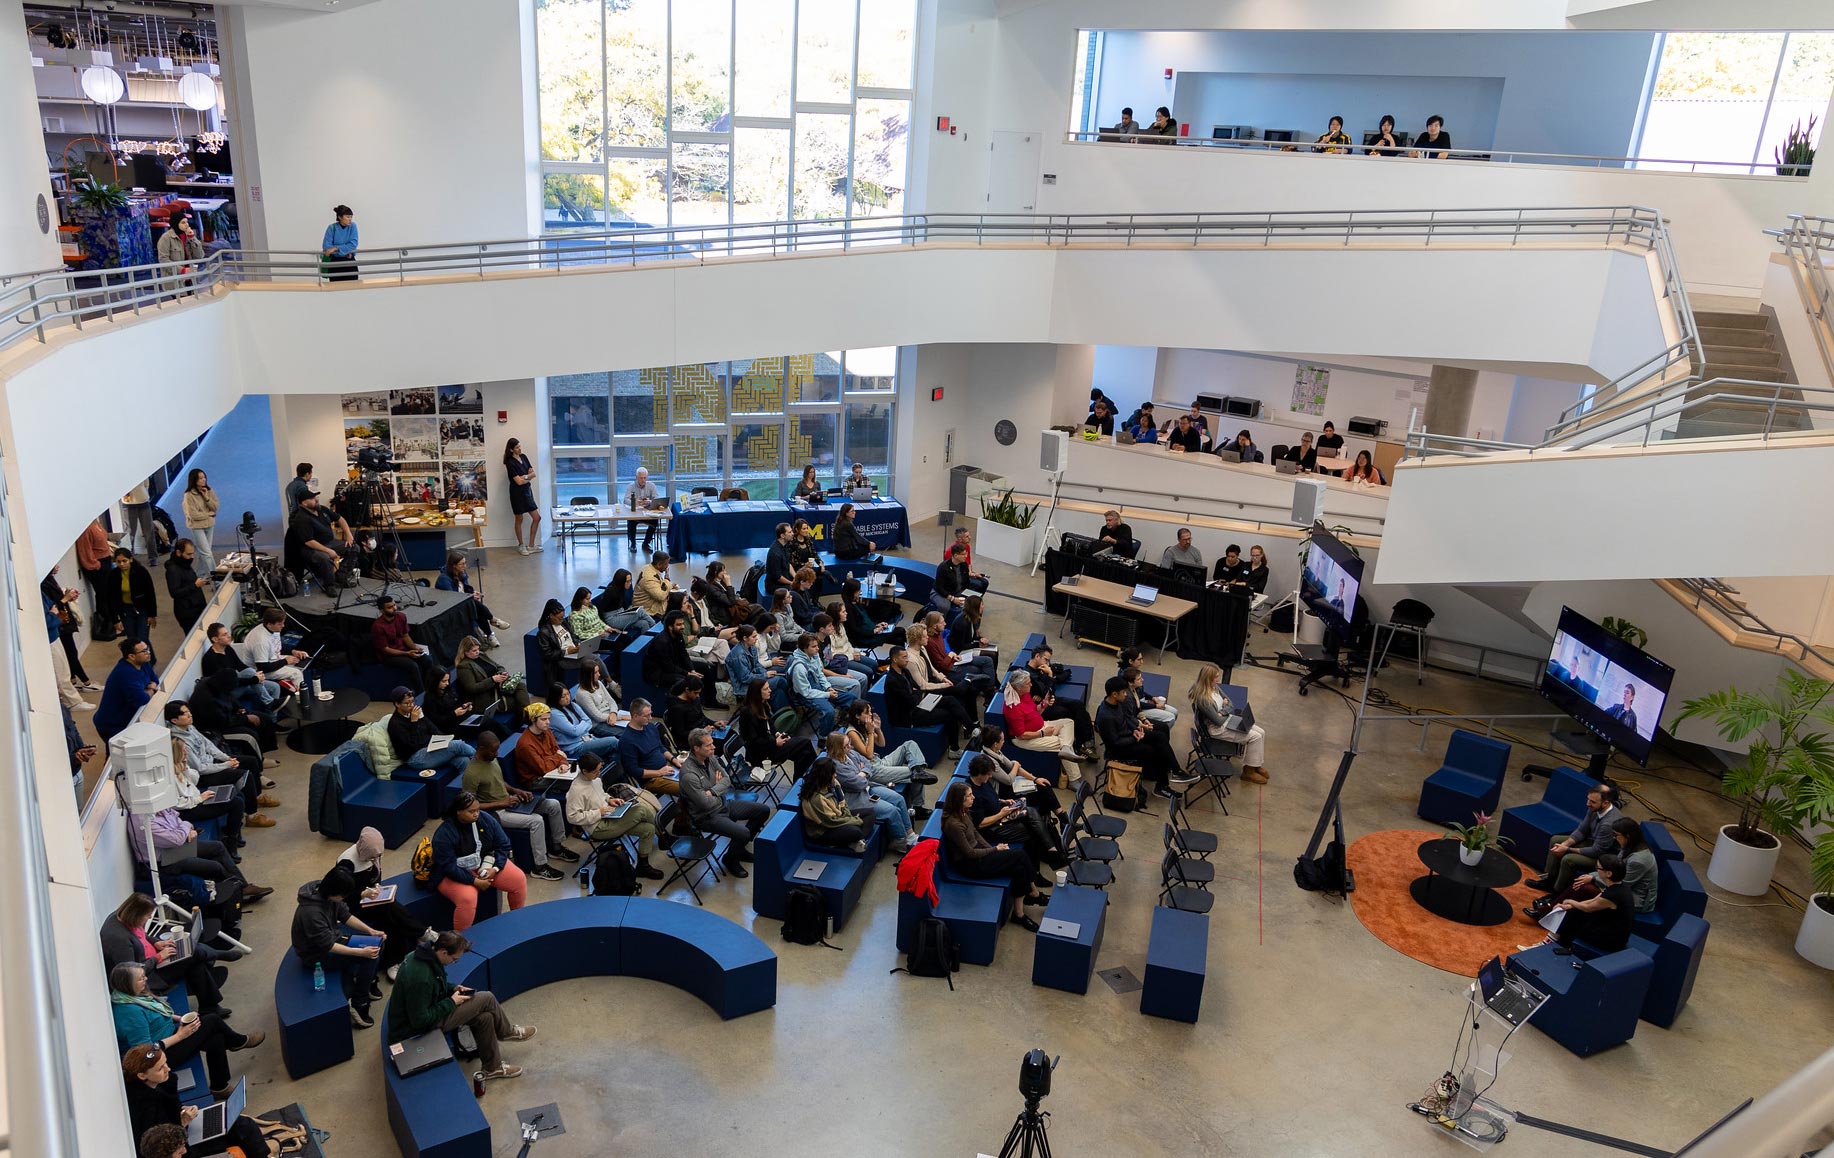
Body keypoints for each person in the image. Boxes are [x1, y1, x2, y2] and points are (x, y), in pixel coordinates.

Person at [387, 930, 536, 1082]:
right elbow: (419, 1020)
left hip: (426, 1011)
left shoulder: (424, 956)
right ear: (444, 952)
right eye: (455, 959)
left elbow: (435, 983)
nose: (454, 962)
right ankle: (506, 1032)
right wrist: (451, 1002)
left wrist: (452, 988)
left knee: (485, 1017)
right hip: (412, 1030)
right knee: (487, 998)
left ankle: (492, 1068)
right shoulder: (420, 977)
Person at [110, 962, 264, 1100]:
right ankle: (238, 1042)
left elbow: (160, 1015)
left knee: (215, 1038)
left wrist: (179, 1019)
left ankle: (220, 1086)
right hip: (161, 1056)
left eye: (144, 976)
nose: (145, 980)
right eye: (140, 979)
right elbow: (147, 1051)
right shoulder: (130, 1013)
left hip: (169, 1035)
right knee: (211, 1020)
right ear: (127, 984)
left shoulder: (134, 996)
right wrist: (180, 1035)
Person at [463, 730, 575, 882]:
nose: (496, 754)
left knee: (553, 804)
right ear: (481, 749)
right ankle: (540, 867)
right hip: (497, 813)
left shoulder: (491, 759)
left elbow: (499, 782)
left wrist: (517, 791)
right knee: (536, 821)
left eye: (497, 750)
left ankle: (557, 847)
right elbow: (470, 807)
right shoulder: (471, 773)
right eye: (493, 751)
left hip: (511, 801)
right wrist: (501, 803)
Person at [122, 1045, 271, 1158]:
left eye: (165, 1063)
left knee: (239, 1124)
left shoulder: (159, 1084)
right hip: (181, 1144)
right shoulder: (143, 1109)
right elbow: (161, 1146)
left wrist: (182, 1110)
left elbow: (171, 1109)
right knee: (243, 1128)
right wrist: (182, 1123)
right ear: (142, 1075)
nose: (168, 1069)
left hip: (181, 1128)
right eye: (160, 1068)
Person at [99, 893, 230, 1017]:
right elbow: (132, 975)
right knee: (193, 955)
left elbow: (142, 936)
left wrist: (156, 943)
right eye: (147, 915)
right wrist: (159, 957)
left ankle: (210, 1006)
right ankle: (215, 955)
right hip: (149, 977)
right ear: (136, 914)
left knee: (192, 958)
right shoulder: (119, 940)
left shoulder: (122, 916)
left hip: (153, 960)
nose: (150, 918)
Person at [940, 779, 1047, 929]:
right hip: (971, 865)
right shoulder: (954, 824)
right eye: (970, 796)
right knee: (1020, 856)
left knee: (1018, 867)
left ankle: (1019, 914)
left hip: (980, 855)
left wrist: (991, 847)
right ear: (960, 800)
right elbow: (969, 853)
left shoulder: (963, 813)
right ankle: (1034, 893)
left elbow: (976, 834)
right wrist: (995, 850)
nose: (973, 797)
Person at [290, 867, 386, 1027]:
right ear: (334, 892)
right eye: (343, 896)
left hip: (334, 938)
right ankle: (359, 1003)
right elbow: (327, 946)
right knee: (369, 957)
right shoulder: (311, 913)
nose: (344, 898)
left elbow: (346, 916)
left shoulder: (327, 894)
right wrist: (361, 952)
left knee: (377, 944)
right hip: (316, 954)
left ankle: (366, 983)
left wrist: (371, 931)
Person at [333, 827, 430, 978]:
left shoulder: (373, 853)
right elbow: (340, 894)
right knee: (390, 910)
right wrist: (362, 893)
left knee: (391, 915)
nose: (376, 858)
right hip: (354, 906)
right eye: (373, 856)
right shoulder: (347, 863)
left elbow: (374, 876)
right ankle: (422, 933)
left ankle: (397, 958)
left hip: (371, 899)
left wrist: (375, 888)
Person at [679, 726, 772, 875]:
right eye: (708, 745)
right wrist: (717, 789)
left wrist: (713, 790)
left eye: (712, 743)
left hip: (723, 804)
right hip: (707, 816)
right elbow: (705, 804)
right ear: (696, 748)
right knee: (743, 833)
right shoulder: (689, 775)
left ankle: (737, 850)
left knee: (763, 811)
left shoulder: (710, 758)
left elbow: (727, 779)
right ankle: (730, 859)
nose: (714, 747)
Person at [431, 792, 528, 929]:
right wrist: (474, 881)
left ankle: (517, 919)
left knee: (518, 879)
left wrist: (495, 868)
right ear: (458, 812)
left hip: (483, 864)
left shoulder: (485, 819)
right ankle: (459, 940)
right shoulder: (444, 833)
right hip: (453, 872)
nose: (476, 814)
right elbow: (447, 866)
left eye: (477, 810)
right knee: (468, 898)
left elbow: (503, 844)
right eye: (471, 811)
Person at [565, 753, 663, 878]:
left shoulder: (595, 780)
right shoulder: (576, 790)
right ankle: (663, 835)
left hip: (608, 816)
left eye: (599, 770)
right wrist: (598, 812)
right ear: (584, 771)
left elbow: (601, 795)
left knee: (648, 829)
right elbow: (572, 817)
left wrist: (610, 799)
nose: (598, 774)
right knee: (641, 810)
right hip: (597, 827)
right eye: (595, 772)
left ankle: (643, 867)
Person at [1528, 782, 1624, 893]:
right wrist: (1565, 844)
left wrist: (1567, 849)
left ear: (1606, 803)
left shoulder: (1609, 824)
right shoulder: (1594, 808)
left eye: (1592, 802)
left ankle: (1557, 891)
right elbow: (1582, 830)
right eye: (1588, 799)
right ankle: (1550, 880)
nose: (1588, 803)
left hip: (1602, 856)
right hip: (1591, 843)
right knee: (1556, 840)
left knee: (1568, 859)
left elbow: (1596, 851)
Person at [827, 731, 915, 851]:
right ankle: (900, 842)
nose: (850, 747)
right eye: (846, 746)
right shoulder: (835, 766)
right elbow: (857, 784)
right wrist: (863, 772)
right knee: (891, 810)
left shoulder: (851, 753)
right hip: (856, 798)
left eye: (849, 743)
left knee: (898, 799)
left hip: (869, 787)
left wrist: (862, 773)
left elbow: (868, 764)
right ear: (837, 749)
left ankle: (910, 835)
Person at [1189, 662, 1269, 784]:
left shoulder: (1214, 687)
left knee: (1261, 732)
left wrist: (1222, 711)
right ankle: (1248, 771)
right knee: (1255, 737)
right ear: (1208, 679)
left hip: (1227, 720)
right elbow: (1217, 721)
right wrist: (1223, 709)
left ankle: (1255, 764)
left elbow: (1231, 704)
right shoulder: (1203, 699)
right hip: (1217, 729)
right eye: (1216, 677)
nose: (1218, 679)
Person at [883, 643, 972, 752]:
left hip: (918, 704)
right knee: (949, 715)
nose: (907, 659)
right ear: (895, 660)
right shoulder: (892, 681)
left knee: (950, 700)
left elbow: (916, 690)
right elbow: (911, 701)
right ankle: (954, 749)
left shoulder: (905, 671)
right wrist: (917, 694)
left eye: (907, 656)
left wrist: (916, 693)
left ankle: (972, 728)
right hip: (908, 716)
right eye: (904, 657)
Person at [841, 700, 936, 801]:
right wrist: (870, 732)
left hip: (879, 761)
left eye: (870, 711)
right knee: (912, 772)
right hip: (872, 770)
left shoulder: (863, 726)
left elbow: (882, 744)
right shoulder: (852, 733)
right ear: (857, 716)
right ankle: (918, 805)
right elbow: (868, 755)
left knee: (910, 744)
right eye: (867, 712)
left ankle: (917, 770)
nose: (870, 714)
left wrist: (878, 729)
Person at [1096, 675, 1177, 794]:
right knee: (1151, 750)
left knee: (1159, 736)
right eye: (1123, 692)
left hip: (1129, 736)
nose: (1125, 694)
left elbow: (1125, 721)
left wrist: (1135, 730)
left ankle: (1175, 770)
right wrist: (1134, 738)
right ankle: (1162, 785)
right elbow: (1114, 743)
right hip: (1119, 749)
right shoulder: (1106, 716)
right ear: (1114, 694)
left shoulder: (1117, 703)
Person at [1002, 668, 1084, 781]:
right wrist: (1042, 733)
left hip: (1041, 726)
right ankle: (1075, 779)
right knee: (1062, 741)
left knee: (1068, 722)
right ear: (1019, 687)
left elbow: (1034, 711)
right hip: (1027, 739)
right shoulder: (1012, 708)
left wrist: (1044, 704)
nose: (1031, 685)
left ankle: (1065, 749)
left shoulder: (1024, 694)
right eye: (1028, 683)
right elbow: (1021, 735)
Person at [1544, 854, 1635, 955]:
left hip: (1611, 939)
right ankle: (1556, 942)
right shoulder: (1617, 886)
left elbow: (1588, 908)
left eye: (1598, 868)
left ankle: (1559, 945)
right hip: (1607, 926)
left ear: (1608, 873)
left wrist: (1570, 901)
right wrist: (1568, 906)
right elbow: (1592, 900)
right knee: (1571, 911)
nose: (1597, 870)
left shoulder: (1613, 895)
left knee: (1573, 917)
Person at [386, 685, 476, 781]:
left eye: (412, 701)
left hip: (430, 747)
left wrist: (423, 718)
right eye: (407, 703)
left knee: (463, 761)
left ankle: (468, 791)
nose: (411, 705)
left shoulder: (414, 713)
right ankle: (483, 758)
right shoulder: (395, 724)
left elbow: (434, 730)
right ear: (397, 704)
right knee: (458, 745)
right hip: (415, 757)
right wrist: (414, 722)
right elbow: (412, 745)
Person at [976, 724, 1064, 819]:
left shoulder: (996, 752)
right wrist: (1016, 765)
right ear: (995, 744)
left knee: (1043, 785)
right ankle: (1060, 818)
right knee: (1042, 793)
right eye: (1002, 740)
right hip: (1003, 795)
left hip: (1011, 786)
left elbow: (1014, 768)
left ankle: (1060, 816)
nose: (1004, 741)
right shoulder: (989, 761)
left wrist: (1035, 779)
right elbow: (1009, 780)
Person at [736, 678, 818, 774]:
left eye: (769, 688)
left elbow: (770, 724)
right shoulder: (748, 713)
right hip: (762, 753)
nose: (770, 690)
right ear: (757, 693)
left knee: (804, 754)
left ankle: (801, 785)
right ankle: (819, 772)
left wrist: (777, 734)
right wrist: (774, 742)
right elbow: (753, 741)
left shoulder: (763, 705)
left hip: (770, 744)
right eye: (766, 689)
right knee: (805, 742)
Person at [1022, 644, 1095, 751]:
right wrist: (1050, 675)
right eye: (1046, 660)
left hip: (1049, 699)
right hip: (1041, 707)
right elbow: (1047, 692)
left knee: (1077, 705)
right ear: (1037, 656)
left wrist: (1049, 681)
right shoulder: (1029, 674)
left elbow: (1051, 689)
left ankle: (1087, 741)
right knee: (1067, 713)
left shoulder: (1041, 668)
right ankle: (1080, 744)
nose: (1047, 663)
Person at [203, 622, 284, 712]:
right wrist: (254, 679)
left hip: (237, 684)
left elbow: (241, 666)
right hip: (226, 692)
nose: (229, 636)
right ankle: (269, 702)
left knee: (275, 687)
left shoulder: (228, 649)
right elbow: (227, 682)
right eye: (224, 635)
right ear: (215, 639)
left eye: (228, 633)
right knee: (249, 672)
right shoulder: (211, 659)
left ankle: (272, 720)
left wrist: (257, 675)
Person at [903, 623, 981, 717]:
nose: (928, 637)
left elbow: (932, 669)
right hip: (927, 691)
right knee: (959, 691)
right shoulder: (911, 660)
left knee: (970, 689)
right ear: (918, 639)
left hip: (935, 682)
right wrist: (943, 685)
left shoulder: (922, 648)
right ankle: (968, 679)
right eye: (925, 636)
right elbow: (923, 686)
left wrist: (943, 678)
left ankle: (974, 723)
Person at [788, 631, 856, 735]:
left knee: (850, 697)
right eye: (814, 646)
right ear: (805, 649)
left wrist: (828, 687)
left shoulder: (814, 656)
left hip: (819, 689)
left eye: (817, 645)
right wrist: (827, 694)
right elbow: (805, 692)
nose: (817, 649)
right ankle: (825, 738)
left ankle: (842, 723)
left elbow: (820, 674)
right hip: (806, 696)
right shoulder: (799, 667)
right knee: (829, 712)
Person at [285, 490, 353, 592]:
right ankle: (329, 585)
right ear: (304, 503)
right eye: (312, 498)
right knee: (324, 557)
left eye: (315, 497)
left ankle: (341, 576)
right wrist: (328, 550)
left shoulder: (322, 509)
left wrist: (349, 535)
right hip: (311, 548)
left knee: (353, 547)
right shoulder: (301, 518)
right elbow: (309, 541)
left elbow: (340, 519)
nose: (316, 500)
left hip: (329, 542)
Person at [437, 551, 509, 645]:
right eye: (462, 564)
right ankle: (493, 621)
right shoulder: (444, 579)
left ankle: (490, 633)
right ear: (454, 565)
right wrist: (470, 597)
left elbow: (465, 588)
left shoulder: (462, 572)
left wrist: (472, 593)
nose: (465, 566)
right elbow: (452, 597)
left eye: (465, 563)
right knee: (475, 605)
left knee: (477, 610)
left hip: (465, 602)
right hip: (452, 607)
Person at [615, 698, 683, 797]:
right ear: (635, 716)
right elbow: (634, 771)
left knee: (694, 773)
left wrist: (674, 759)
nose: (651, 718)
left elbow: (660, 747)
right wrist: (659, 772)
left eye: (650, 714)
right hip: (651, 779)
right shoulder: (627, 742)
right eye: (647, 715)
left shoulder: (649, 726)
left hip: (666, 767)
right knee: (687, 787)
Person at [97, 638, 161, 743]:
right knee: (116, 756)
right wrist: (151, 689)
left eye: (147, 649)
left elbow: (155, 679)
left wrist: (150, 688)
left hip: (125, 720)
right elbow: (142, 699)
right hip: (113, 724)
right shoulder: (125, 673)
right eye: (144, 651)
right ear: (131, 656)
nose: (148, 653)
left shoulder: (143, 663)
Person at [798, 757, 871, 850]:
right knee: (855, 831)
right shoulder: (816, 799)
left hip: (839, 816)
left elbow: (843, 803)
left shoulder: (834, 783)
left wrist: (849, 817)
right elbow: (831, 821)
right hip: (824, 830)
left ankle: (855, 841)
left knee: (870, 813)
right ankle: (855, 839)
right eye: (834, 773)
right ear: (826, 776)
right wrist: (855, 820)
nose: (836, 775)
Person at [370, 597, 441, 692]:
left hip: (404, 649)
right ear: (382, 611)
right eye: (390, 607)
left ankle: (430, 687)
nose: (395, 608)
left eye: (394, 605)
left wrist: (415, 648)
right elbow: (385, 649)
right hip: (388, 656)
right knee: (412, 666)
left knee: (427, 660)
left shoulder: (401, 616)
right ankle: (421, 693)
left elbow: (405, 636)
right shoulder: (377, 626)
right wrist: (407, 653)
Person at [455, 633, 531, 718]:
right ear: (465, 652)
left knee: (521, 686)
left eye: (478, 649)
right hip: (486, 697)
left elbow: (498, 666)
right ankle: (527, 718)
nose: (477, 652)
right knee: (519, 701)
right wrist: (492, 680)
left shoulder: (481, 655)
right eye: (474, 651)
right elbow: (472, 688)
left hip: (498, 687)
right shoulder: (464, 667)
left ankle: (527, 716)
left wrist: (502, 672)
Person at [109, 546, 161, 661]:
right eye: (119, 562)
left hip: (142, 609)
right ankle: (147, 660)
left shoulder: (141, 572)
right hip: (126, 610)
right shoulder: (113, 575)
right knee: (132, 641)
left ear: (131, 560)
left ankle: (148, 662)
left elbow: (150, 594)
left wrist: (152, 615)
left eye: (124, 561)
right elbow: (111, 599)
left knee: (142, 639)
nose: (122, 564)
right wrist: (115, 620)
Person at [550, 683, 622, 762]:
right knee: (613, 741)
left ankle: (615, 771)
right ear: (555, 698)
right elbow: (575, 732)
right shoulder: (554, 714)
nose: (568, 698)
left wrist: (581, 725)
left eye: (568, 694)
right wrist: (583, 723)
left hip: (589, 739)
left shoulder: (573, 705)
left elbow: (589, 722)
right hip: (576, 748)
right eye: (563, 696)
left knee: (615, 752)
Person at [237, 605, 307, 687]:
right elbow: (263, 667)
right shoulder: (260, 641)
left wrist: (293, 652)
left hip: (272, 660)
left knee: (299, 661)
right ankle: (300, 696)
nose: (283, 626)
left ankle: (291, 689)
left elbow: (276, 647)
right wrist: (285, 661)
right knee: (296, 673)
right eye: (279, 624)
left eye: (283, 623)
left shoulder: (272, 629)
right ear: (269, 624)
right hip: (258, 671)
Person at [78, 515, 121, 629]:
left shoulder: (95, 522)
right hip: (98, 564)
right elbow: (85, 550)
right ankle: (108, 622)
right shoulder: (86, 528)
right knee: (103, 594)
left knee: (109, 592)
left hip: (105, 561)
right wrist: (96, 565)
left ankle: (113, 621)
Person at [503, 438, 541, 555]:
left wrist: (524, 477)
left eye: (520, 446)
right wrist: (527, 477)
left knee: (537, 518)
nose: (520, 449)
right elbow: (518, 482)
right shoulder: (509, 463)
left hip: (527, 492)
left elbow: (533, 474)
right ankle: (521, 545)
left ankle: (531, 545)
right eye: (517, 447)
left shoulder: (523, 457)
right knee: (519, 519)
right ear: (511, 449)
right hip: (516, 493)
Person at [164, 538, 210, 634]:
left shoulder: (184, 563)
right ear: (178, 553)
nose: (192, 557)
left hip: (196, 607)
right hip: (187, 612)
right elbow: (174, 593)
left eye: (193, 553)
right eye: (188, 554)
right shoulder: (173, 570)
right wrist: (195, 585)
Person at [179, 469, 220, 574]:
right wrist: (208, 514)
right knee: (206, 553)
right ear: (194, 480)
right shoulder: (188, 495)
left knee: (205, 552)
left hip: (209, 525)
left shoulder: (209, 491)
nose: (203, 480)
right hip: (197, 526)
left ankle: (200, 575)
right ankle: (216, 580)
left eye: (204, 477)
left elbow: (215, 507)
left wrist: (206, 498)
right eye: (200, 478)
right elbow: (193, 515)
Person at [593, 568, 657, 634]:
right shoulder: (611, 592)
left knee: (644, 623)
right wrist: (606, 627)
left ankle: (646, 642)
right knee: (640, 611)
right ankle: (656, 628)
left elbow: (624, 605)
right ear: (621, 581)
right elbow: (601, 609)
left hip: (621, 613)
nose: (630, 583)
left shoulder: (621, 588)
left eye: (630, 581)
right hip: (612, 619)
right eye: (627, 581)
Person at [567, 585, 626, 654]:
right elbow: (578, 634)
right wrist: (596, 635)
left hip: (603, 634)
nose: (590, 601)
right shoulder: (575, 615)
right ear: (580, 600)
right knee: (619, 645)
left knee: (625, 638)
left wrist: (608, 628)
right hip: (593, 641)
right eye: (587, 599)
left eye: (590, 598)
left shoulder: (592, 608)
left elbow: (599, 621)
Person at [696, 561, 756, 627]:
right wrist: (729, 585)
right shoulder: (712, 588)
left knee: (756, 608)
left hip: (728, 609)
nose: (725, 572)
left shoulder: (720, 582)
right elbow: (731, 602)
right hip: (724, 614)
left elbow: (731, 597)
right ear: (716, 572)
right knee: (753, 611)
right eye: (722, 570)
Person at [940, 526, 990, 593]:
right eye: (967, 536)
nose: (970, 537)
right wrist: (970, 574)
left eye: (969, 535)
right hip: (957, 576)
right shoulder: (950, 551)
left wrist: (970, 572)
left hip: (965, 572)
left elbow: (968, 563)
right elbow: (954, 571)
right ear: (960, 539)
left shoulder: (967, 546)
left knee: (985, 582)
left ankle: (976, 599)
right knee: (979, 584)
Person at [321, 203, 359, 281]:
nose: (350, 219)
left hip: (349, 261)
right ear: (340, 217)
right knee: (335, 288)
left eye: (351, 217)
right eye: (347, 217)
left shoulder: (353, 226)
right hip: (335, 262)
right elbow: (327, 247)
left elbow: (353, 244)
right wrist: (345, 250)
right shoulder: (332, 228)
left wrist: (336, 248)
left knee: (353, 287)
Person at [635, 550, 677, 617]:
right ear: (659, 564)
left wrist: (670, 585)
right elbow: (661, 596)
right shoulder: (649, 577)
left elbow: (657, 585)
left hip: (651, 603)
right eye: (666, 564)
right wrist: (666, 580)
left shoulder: (649, 568)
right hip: (647, 610)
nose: (667, 566)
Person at [764, 522, 798, 594]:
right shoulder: (775, 553)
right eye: (790, 532)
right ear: (782, 535)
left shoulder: (785, 545)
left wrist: (796, 577)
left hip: (785, 577)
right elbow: (778, 577)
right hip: (774, 585)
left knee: (802, 583)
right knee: (797, 589)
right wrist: (791, 583)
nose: (793, 534)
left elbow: (788, 564)